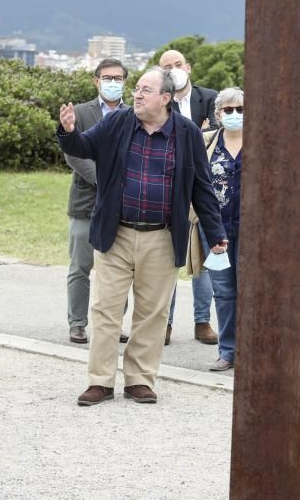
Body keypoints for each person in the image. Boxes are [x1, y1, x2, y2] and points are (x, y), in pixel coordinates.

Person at [57, 67, 227, 406]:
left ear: (165, 98)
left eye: (146, 90)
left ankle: (139, 379)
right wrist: (68, 131)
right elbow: (84, 147)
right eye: (137, 88)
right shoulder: (118, 122)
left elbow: (202, 188)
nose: (137, 94)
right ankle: (100, 381)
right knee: (106, 310)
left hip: (162, 237)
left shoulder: (187, 133)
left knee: (152, 313)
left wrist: (215, 232)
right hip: (116, 234)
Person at [63, 59, 129, 345]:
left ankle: (113, 323)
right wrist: (105, 179)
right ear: (96, 80)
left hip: (123, 205)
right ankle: (77, 322)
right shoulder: (79, 112)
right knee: (80, 266)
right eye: (107, 77)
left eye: (117, 78)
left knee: (118, 269)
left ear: (125, 81)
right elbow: (73, 154)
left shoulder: (134, 114)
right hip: (86, 201)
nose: (112, 82)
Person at [160, 48, 218, 345]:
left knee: (206, 260)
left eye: (178, 64)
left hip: (204, 192)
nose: (174, 70)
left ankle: (202, 321)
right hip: (170, 192)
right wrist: (200, 132)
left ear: (189, 67)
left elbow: (216, 137)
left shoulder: (209, 98)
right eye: (166, 67)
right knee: (168, 258)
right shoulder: (161, 102)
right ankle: (165, 324)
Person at [198, 88, 243, 371]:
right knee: (224, 292)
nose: (235, 114)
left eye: (240, 109)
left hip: (254, 233)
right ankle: (228, 351)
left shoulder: (264, 141)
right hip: (216, 232)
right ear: (218, 114)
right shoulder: (207, 144)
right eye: (228, 110)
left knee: (253, 291)